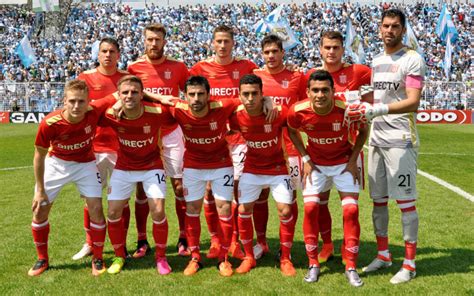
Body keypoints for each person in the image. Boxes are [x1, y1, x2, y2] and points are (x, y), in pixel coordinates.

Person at [345, 9, 426, 284]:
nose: (389, 30)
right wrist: (355, 99)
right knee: (378, 201)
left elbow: (413, 101)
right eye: (385, 26)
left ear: (403, 30)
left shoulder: (413, 59)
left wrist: (377, 108)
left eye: (394, 26)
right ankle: (383, 254)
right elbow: (375, 94)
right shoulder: (377, 60)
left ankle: (410, 263)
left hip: (401, 140)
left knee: (405, 202)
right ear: (379, 29)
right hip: (376, 140)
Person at [288, 70, 368, 287]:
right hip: (316, 165)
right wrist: (304, 157)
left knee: (351, 210)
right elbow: (292, 131)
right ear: (308, 92)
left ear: (334, 91)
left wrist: (352, 160)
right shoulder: (298, 111)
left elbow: (363, 130)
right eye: (315, 90)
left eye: (325, 90)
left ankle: (350, 266)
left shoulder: (346, 109)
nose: (320, 95)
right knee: (311, 208)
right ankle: (313, 263)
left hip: (344, 163)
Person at [29, 80, 116, 276]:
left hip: (85, 164)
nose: (77, 106)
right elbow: (38, 157)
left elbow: (121, 94)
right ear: (64, 101)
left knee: (96, 208)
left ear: (89, 102)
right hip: (56, 164)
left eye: (81, 101)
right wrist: (40, 191)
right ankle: (42, 259)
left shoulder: (94, 110)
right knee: (40, 210)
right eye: (72, 101)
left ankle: (98, 258)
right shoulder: (50, 123)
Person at [190, 25, 258, 260]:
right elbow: (190, 97)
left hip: (239, 138)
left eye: (226, 41)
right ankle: (215, 240)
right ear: (212, 43)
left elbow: (262, 88)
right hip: (211, 139)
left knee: (236, 191)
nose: (222, 45)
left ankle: (234, 240)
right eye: (218, 41)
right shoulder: (200, 68)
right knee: (209, 192)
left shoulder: (247, 67)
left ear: (233, 43)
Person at [305, 31, 372, 264]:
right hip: (320, 152)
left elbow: (380, 86)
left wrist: (370, 102)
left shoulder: (359, 71)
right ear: (320, 50)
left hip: (349, 150)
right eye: (327, 47)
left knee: (350, 207)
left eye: (336, 47)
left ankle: (348, 246)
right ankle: (327, 245)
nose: (331, 52)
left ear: (343, 49)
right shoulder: (312, 76)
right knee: (319, 202)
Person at [100, 75, 175, 275]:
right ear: (119, 95)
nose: (130, 95)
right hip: (124, 167)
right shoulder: (110, 114)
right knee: (114, 212)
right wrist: (114, 102)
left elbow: (186, 108)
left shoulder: (157, 112)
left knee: (158, 210)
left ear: (143, 94)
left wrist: (162, 98)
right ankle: (119, 256)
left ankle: (161, 257)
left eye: (134, 92)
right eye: (125, 92)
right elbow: (89, 108)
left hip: (152, 166)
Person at [127, 23, 190, 257]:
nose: (154, 43)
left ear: (165, 42)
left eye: (158, 39)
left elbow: (191, 94)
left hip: (172, 132)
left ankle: (184, 238)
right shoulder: (134, 68)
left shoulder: (179, 67)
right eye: (150, 39)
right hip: (145, 134)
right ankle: (142, 241)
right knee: (142, 189)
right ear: (144, 40)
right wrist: (161, 98)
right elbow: (129, 94)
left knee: (179, 187)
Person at [230, 74, 296, 277]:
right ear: (239, 95)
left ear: (262, 94)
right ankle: (249, 256)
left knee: (285, 211)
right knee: (243, 208)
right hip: (252, 168)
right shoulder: (235, 116)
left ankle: (285, 258)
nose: (250, 98)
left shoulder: (277, 112)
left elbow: (294, 127)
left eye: (255, 94)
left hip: (278, 168)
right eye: (246, 94)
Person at [252, 34, 306, 260]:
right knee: (260, 195)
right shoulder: (254, 77)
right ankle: (262, 242)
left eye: (275, 51)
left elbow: (304, 105)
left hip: (290, 146)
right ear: (262, 54)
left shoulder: (296, 76)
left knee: (290, 199)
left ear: (283, 53)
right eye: (267, 52)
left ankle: (288, 247)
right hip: (261, 146)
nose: (271, 56)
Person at [74, 37, 129, 261]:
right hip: (92, 148)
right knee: (91, 199)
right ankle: (90, 243)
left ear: (118, 54)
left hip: (121, 147)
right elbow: (80, 108)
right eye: (104, 51)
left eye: (112, 51)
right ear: (98, 54)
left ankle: (121, 244)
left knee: (121, 200)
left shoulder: (127, 79)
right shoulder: (85, 78)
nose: (108, 55)